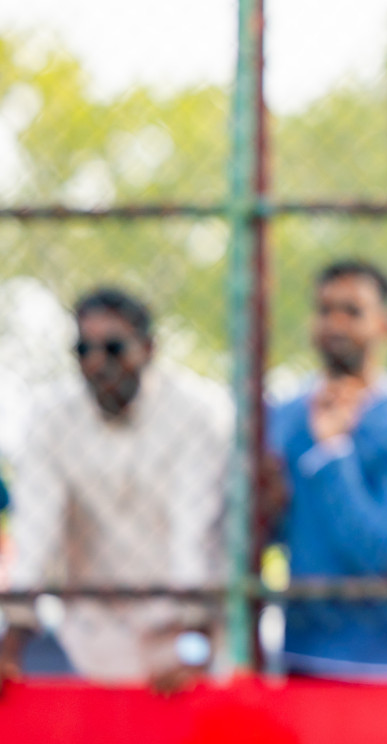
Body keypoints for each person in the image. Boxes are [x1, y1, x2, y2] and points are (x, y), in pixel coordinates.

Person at [0, 288, 231, 689]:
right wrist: (14, 635)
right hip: (94, 634)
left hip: (182, 627)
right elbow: (36, 533)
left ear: (148, 349)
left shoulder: (193, 414)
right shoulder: (51, 419)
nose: (96, 363)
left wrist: (193, 640)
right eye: (83, 349)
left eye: (113, 348)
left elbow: (193, 534)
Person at [265, 260, 387, 679]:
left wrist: (332, 451)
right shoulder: (285, 416)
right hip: (300, 656)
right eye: (325, 310)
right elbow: (271, 536)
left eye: (352, 311)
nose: (335, 323)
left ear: (385, 325)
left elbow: (378, 552)